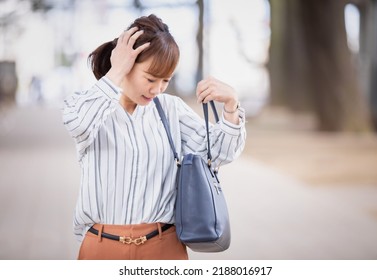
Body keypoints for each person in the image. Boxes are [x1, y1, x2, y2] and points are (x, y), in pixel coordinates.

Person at [62, 14, 246, 260]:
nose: (157, 89)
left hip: (163, 247)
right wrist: (115, 71)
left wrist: (231, 105)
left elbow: (220, 153)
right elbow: (78, 125)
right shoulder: (87, 105)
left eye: (165, 80)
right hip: (101, 248)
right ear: (126, 63)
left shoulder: (170, 109)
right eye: (150, 78)